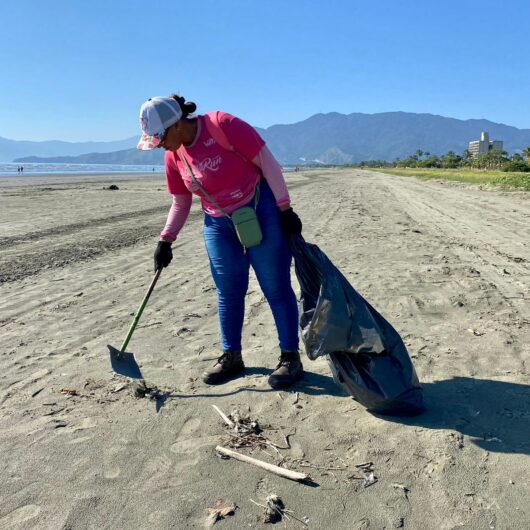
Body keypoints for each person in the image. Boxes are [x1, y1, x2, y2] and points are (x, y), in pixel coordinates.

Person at [137, 95, 304, 389]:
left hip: (259, 208)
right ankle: (232, 356)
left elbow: (268, 164)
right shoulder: (173, 156)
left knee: (275, 286)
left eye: (160, 137)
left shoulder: (222, 125)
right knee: (228, 290)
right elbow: (181, 201)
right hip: (217, 221)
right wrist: (166, 239)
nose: (159, 144)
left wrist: (285, 208)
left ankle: (290, 357)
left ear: (176, 124)